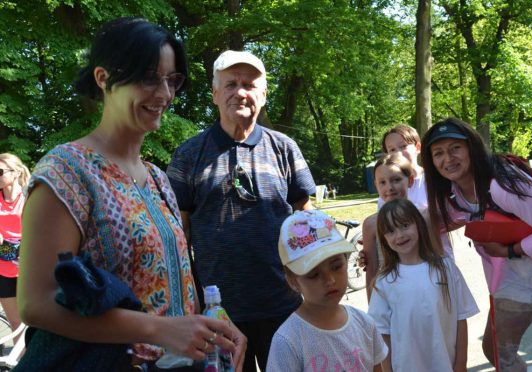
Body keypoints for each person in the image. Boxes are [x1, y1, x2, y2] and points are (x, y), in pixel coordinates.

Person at [17, 17, 246, 371]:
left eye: (172, 80)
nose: (165, 94)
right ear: (103, 78)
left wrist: (212, 325)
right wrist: (159, 330)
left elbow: (175, 281)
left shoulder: (158, 178)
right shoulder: (66, 171)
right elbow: (35, 303)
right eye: (148, 77)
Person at [167, 50, 316, 371]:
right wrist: (188, 303)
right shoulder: (189, 154)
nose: (240, 92)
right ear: (215, 93)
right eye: (231, 84)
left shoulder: (284, 148)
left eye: (249, 84)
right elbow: (179, 234)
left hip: (284, 304)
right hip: (219, 312)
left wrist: (315, 284)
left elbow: (306, 219)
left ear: (263, 95)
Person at [421, 117, 532, 371]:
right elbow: (425, 224)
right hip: (516, 272)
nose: (447, 158)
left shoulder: (502, 184)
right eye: (438, 153)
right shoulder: (452, 194)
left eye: (455, 148)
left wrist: (509, 250)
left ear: (471, 147)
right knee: (496, 350)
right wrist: (377, 246)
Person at [266, 210, 388, 371]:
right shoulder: (288, 341)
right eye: (314, 274)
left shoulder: (365, 323)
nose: (330, 280)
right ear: (292, 280)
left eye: (337, 266)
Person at [368, 199, 479, 372]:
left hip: (446, 365)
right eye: (390, 231)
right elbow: (383, 333)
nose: (399, 235)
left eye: (405, 225)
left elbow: (461, 317)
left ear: (418, 224)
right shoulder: (384, 281)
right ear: (384, 238)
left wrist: (460, 363)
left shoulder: (445, 268)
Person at [362, 153, 415, 299]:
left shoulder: (423, 216)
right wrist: (372, 309)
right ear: (376, 185)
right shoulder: (371, 224)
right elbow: (371, 269)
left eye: (396, 180)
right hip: (390, 295)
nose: (389, 187)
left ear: (410, 180)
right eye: (382, 182)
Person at [0, 153, 30, 334]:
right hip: (3, 270)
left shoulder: (31, 197)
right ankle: (21, 363)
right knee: (16, 324)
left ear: (16, 172)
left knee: (35, 322)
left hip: (29, 270)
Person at [377, 124, 427, 210]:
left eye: (403, 146)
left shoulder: (432, 179)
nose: (398, 153)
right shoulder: (389, 188)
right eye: (392, 150)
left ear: (418, 148)